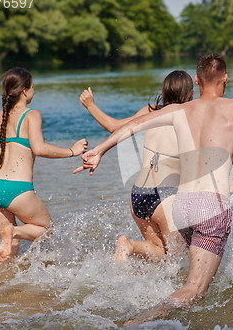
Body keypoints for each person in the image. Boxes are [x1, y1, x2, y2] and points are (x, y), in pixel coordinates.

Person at [74, 42, 233, 324]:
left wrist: (100, 150)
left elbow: (131, 126)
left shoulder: (179, 110)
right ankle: (138, 321)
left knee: (184, 274)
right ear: (225, 79)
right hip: (210, 208)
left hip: (181, 207)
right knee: (195, 289)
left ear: (197, 80)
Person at [79, 70, 194, 261]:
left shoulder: (149, 111)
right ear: (190, 94)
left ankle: (129, 245)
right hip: (167, 194)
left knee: (160, 254)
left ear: (165, 91)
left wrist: (91, 105)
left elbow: (114, 127)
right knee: (177, 260)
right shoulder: (190, 116)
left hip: (138, 194)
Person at [0, 67, 88, 263]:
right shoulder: (31, 115)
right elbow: (39, 148)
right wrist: (72, 151)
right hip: (17, 188)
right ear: (24, 91)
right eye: (33, 87)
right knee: (46, 230)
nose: (34, 91)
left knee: (9, 246)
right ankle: (13, 232)